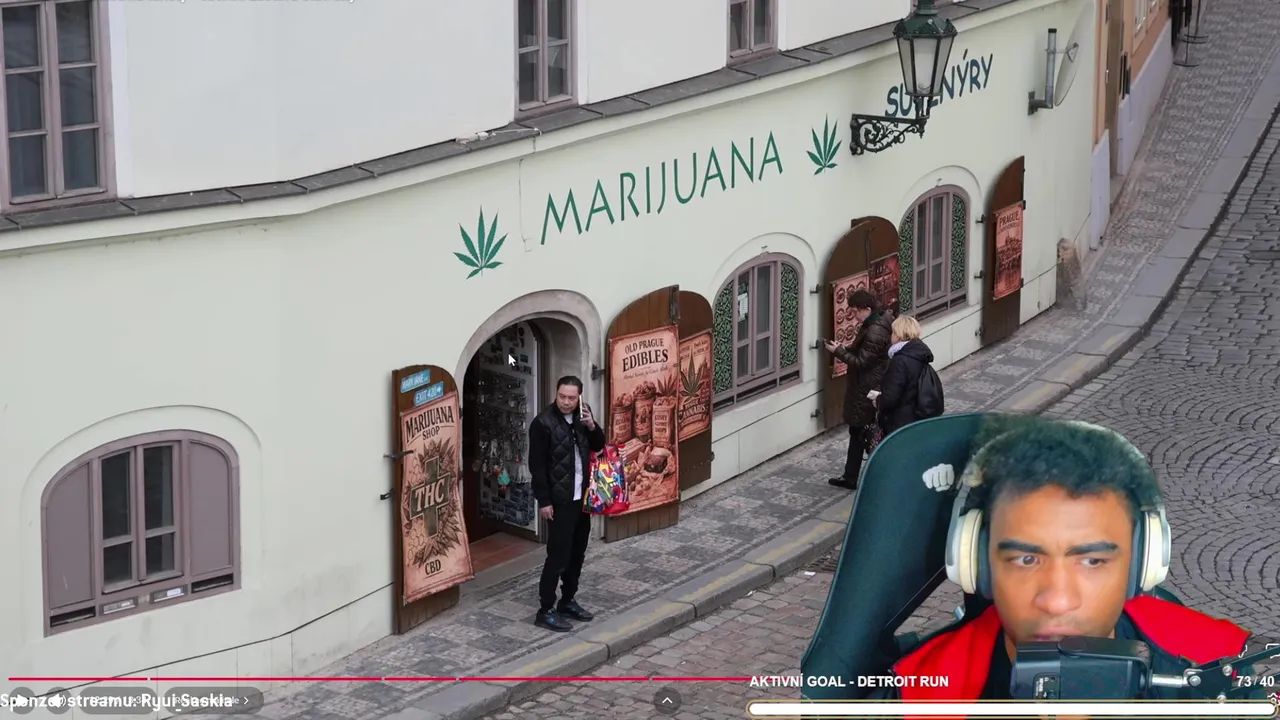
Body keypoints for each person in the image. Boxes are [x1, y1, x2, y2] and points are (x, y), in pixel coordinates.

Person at [871, 417, 1267, 702]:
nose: (1057, 601)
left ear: (1140, 567)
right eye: (1025, 559)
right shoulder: (914, 697)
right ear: (977, 563)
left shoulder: (1218, 678)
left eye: (1092, 561)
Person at [527, 375, 606, 632]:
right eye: (562, 396)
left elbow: (599, 445)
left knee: (577, 553)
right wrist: (544, 501)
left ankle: (568, 599)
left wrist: (592, 426)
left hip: (581, 498)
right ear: (556, 393)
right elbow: (537, 466)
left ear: (579, 397)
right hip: (559, 500)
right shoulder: (543, 423)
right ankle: (545, 609)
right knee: (557, 556)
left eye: (571, 398)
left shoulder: (583, 415)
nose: (566, 402)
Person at [823, 289, 892, 490]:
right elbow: (865, 353)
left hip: (867, 387)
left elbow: (861, 362)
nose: (854, 316)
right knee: (860, 431)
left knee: (865, 433)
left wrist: (839, 352)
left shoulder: (875, 330)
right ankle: (851, 476)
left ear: (866, 309)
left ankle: (864, 477)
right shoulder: (878, 322)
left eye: (855, 311)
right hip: (868, 384)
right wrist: (845, 348)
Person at [874, 315, 936, 437]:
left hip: (900, 421)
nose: (891, 335)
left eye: (893, 332)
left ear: (898, 336)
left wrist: (878, 401)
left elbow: (891, 396)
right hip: (914, 416)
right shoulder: (918, 353)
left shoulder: (900, 360)